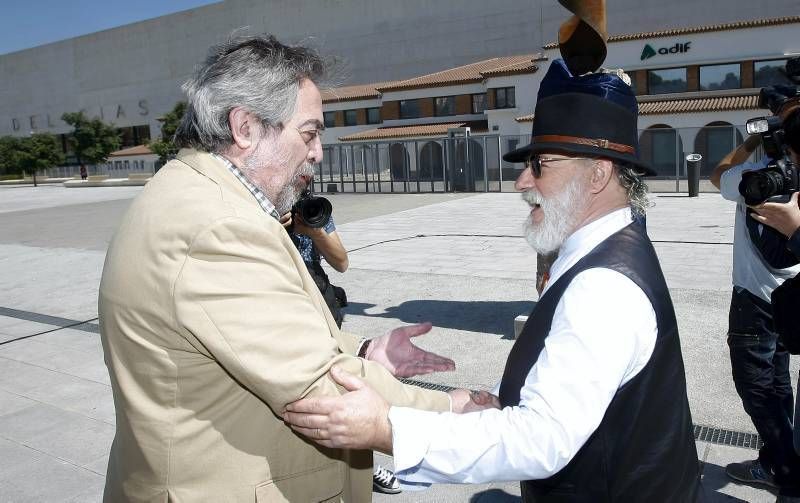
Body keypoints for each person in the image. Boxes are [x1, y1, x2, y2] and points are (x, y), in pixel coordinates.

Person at [284, 57, 703, 502]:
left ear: (598, 174)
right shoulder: (609, 248)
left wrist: (387, 427)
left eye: (541, 165)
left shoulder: (603, 287)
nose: (521, 180)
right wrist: (501, 404)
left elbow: (541, 440)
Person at [98, 34, 465, 502]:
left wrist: (367, 349)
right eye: (308, 133)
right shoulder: (218, 226)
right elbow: (319, 392)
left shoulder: (192, 195)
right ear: (246, 127)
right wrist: (453, 409)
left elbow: (263, 336)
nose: (317, 152)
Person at [710, 106, 800, 501]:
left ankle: (785, 468)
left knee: (757, 388)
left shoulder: (755, 173)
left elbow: (717, 175)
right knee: (778, 381)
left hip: (754, 296)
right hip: (791, 295)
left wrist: (749, 141)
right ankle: (774, 460)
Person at [281, 206, 403, 494]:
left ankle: (363, 465)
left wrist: (314, 231)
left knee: (341, 389)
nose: (315, 160)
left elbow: (341, 261)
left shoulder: (310, 207)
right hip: (285, 311)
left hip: (322, 307)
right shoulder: (258, 204)